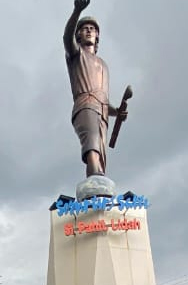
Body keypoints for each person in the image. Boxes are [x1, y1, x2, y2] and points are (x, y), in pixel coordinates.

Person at [64, 0, 126, 178]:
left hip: (102, 112)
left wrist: (117, 111)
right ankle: (97, 177)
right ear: (78, 35)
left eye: (93, 29)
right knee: (91, 142)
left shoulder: (103, 65)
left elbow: (104, 100)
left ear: (97, 36)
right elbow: (66, 38)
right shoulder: (76, 55)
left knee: (100, 151)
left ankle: (96, 185)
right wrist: (76, 11)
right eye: (85, 28)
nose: (89, 31)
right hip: (85, 104)